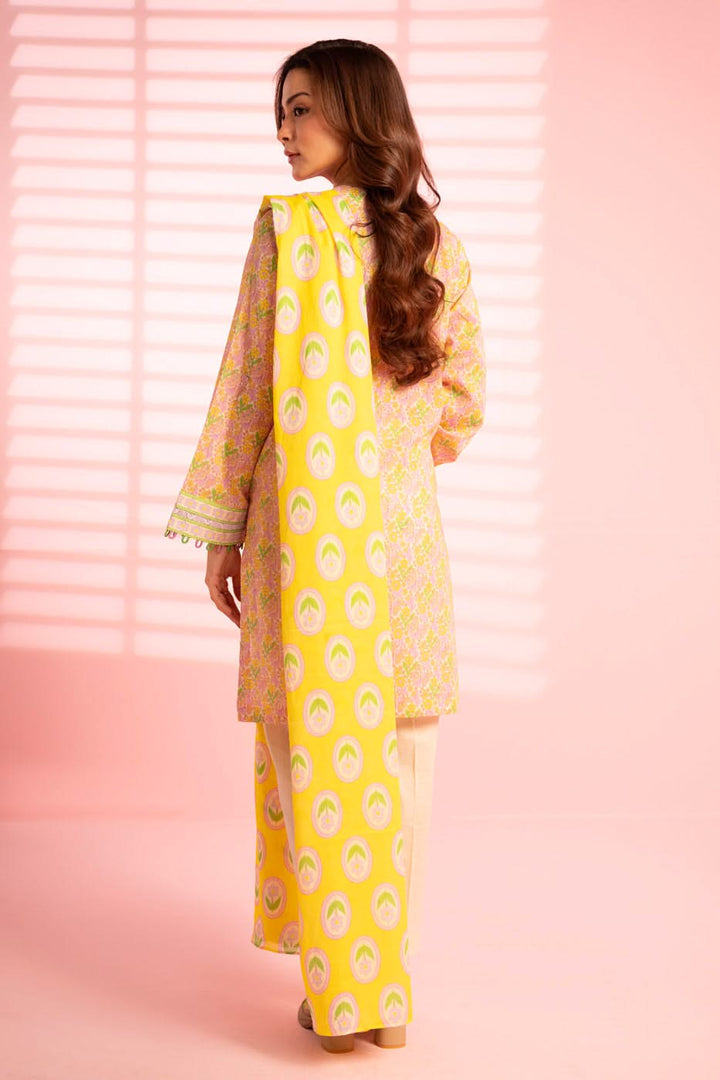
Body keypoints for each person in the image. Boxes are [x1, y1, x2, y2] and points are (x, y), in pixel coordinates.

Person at [165, 39, 486, 1054]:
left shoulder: (285, 233)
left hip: (302, 540)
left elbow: (245, 392)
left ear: (358, 111)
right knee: (402, 760)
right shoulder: (438, 246)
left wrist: (227, 528)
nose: (284, 130)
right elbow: (464, 404)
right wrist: (389, 462)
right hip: (400, 541)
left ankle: (336, 996)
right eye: (283, 110)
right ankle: (383, 996)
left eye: (302, 108)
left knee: (308, 749)